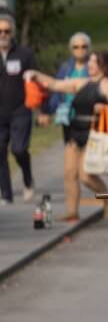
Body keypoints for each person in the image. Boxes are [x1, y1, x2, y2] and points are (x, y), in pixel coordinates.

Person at [28, 51, 108, 221]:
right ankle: (72, 211)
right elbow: (56, 84)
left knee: (86, 176)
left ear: (103, 65)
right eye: (90, 62)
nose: (90, 65)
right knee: (69, 173)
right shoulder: (82, 83)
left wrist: (103, 109)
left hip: (94, 134)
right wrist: (35, 75)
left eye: (94, 62)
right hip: (74, 133)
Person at [0, 14, 36, 204]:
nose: (3, 35)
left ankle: (28, 180)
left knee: (19, 149)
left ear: (12, 32)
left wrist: (42, 109)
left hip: (20, 110)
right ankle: (6, 194)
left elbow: (36, 80)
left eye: (7, 31)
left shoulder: (25, 54)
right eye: (0, 31)